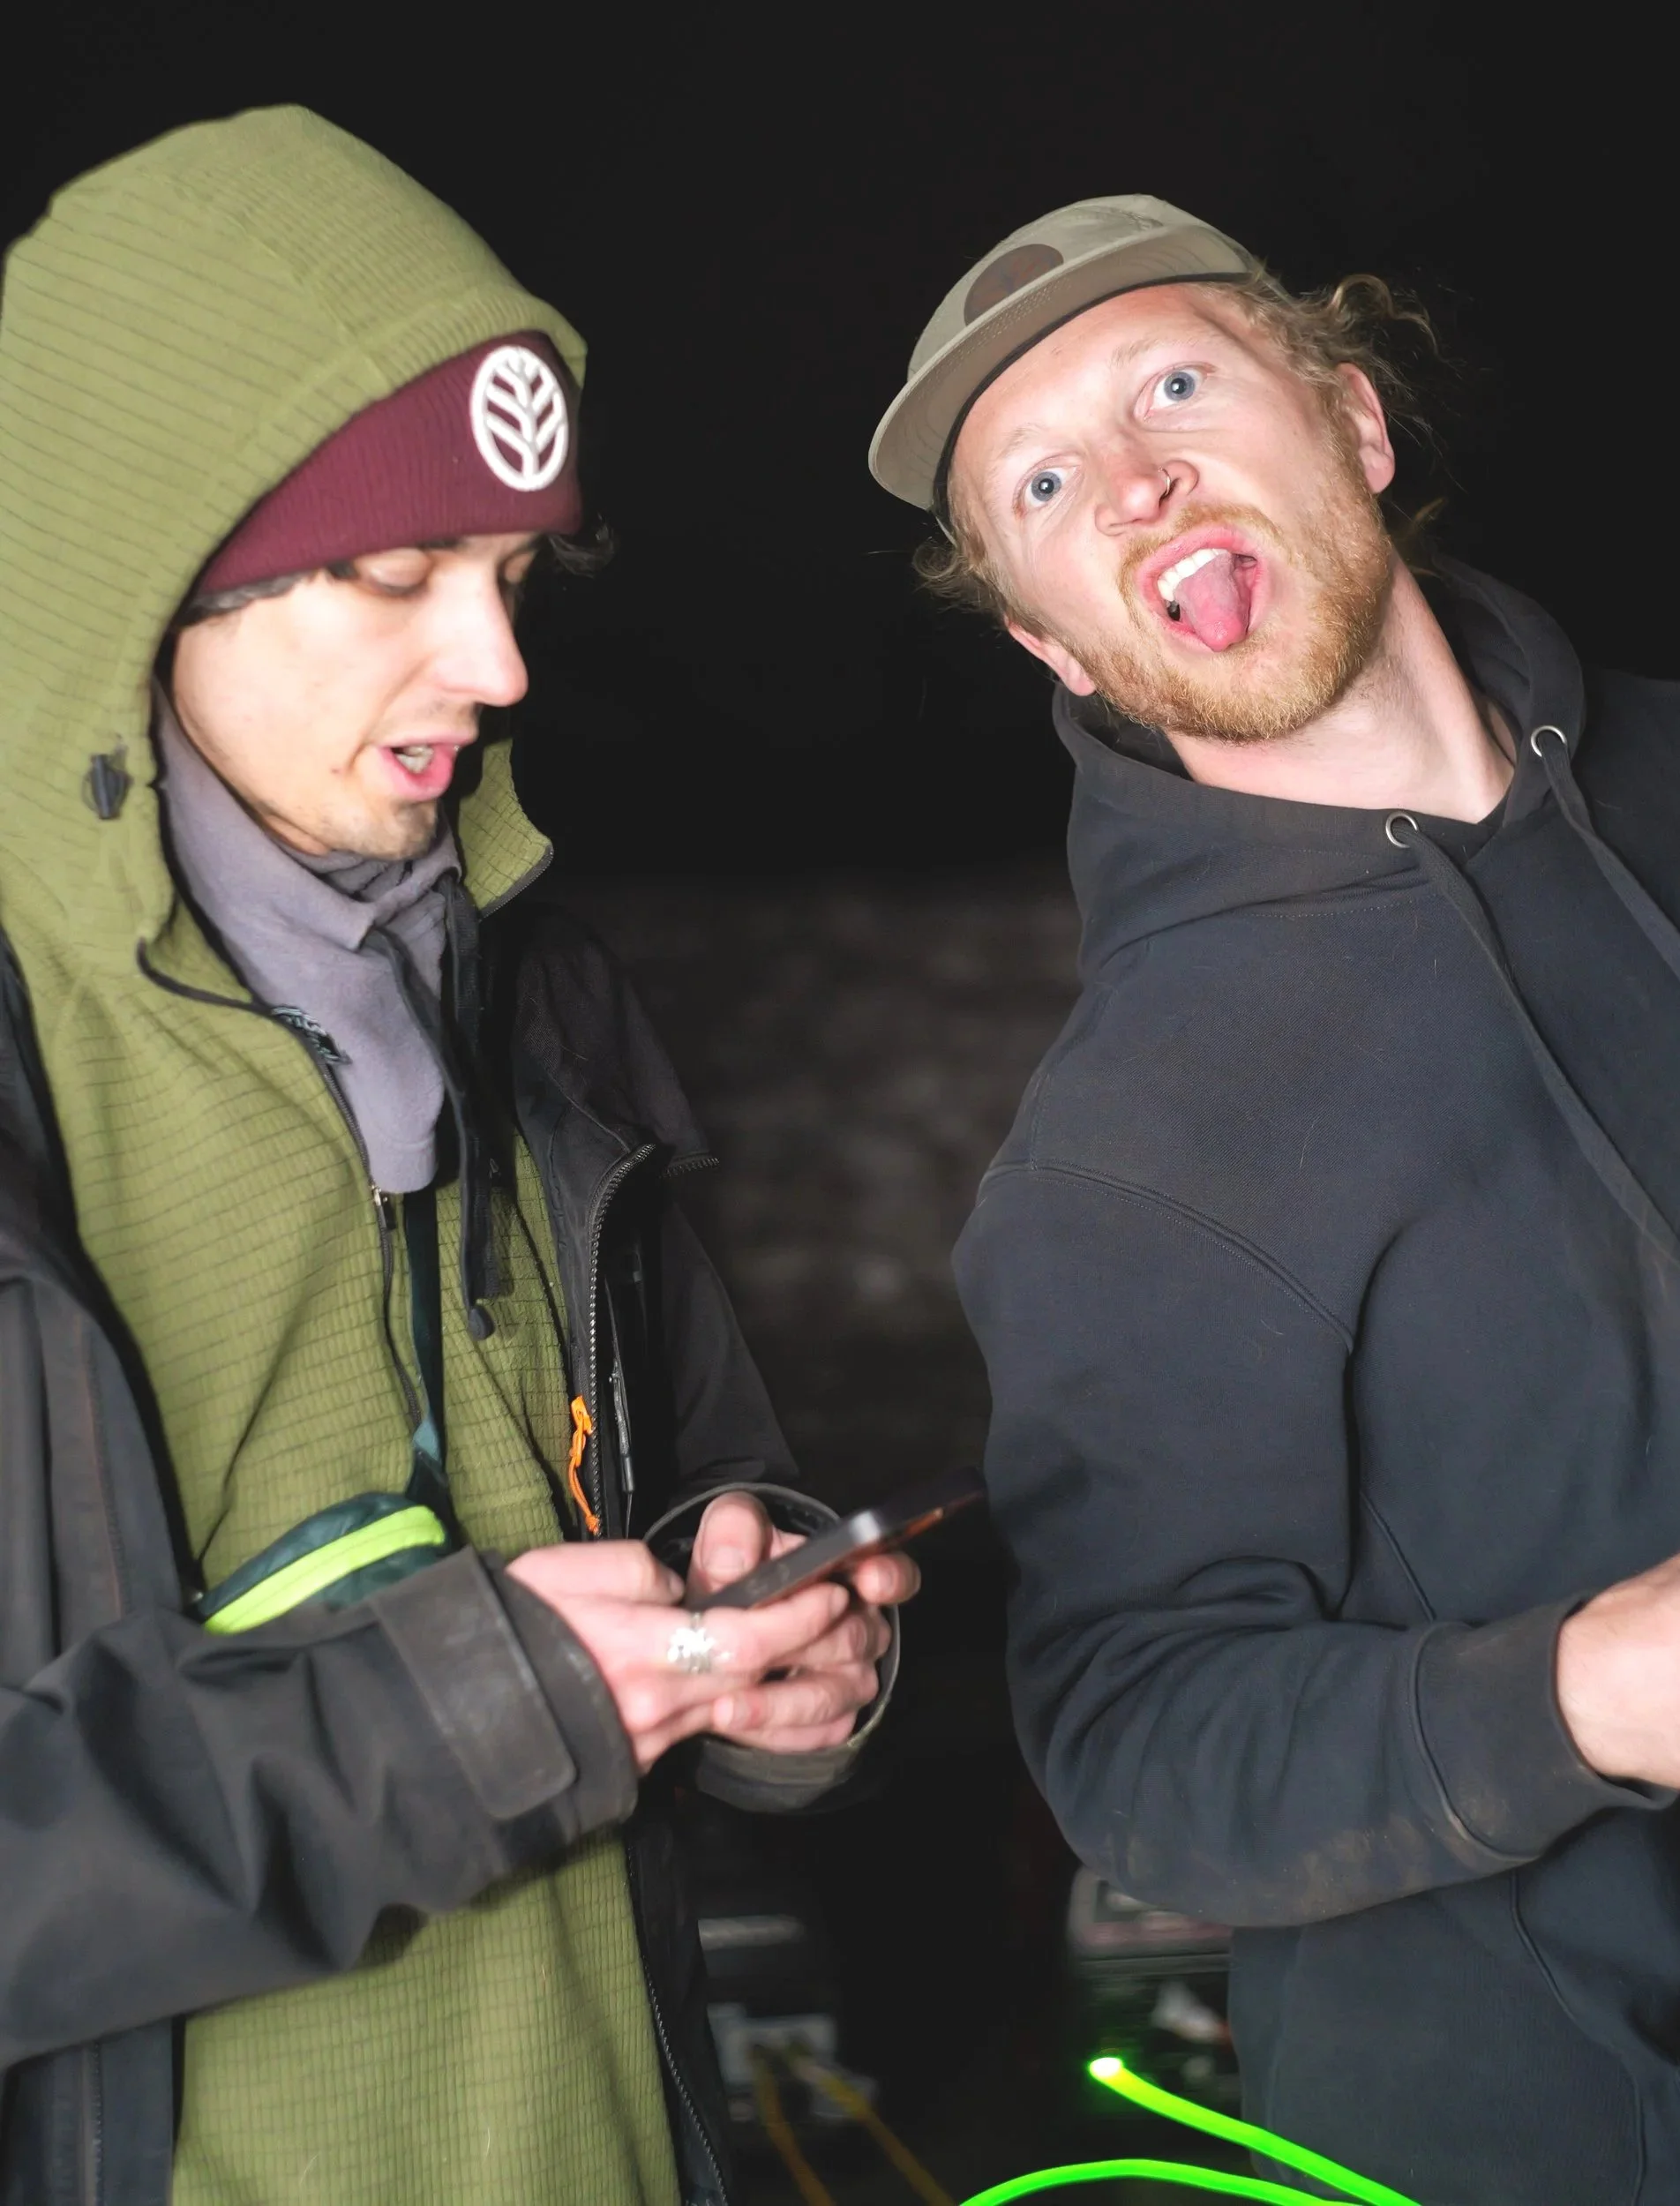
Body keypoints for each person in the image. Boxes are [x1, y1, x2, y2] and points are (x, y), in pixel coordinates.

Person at [0, 106, 914, 2206]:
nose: (494, 669)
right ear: (118, 574)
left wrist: (780, 1649)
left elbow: (699, 1491)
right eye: (391, 576)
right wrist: (471, 1716)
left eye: (509, 576)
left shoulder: (535, 995)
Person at [868, 192, 1680, 2202]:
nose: (1132, 474)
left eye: (1173, 380)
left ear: (1351, 422)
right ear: (1043, 629)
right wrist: (1589, 1692)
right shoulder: (1130, 1151)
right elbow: (1134, 1737)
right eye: (1041, 478)